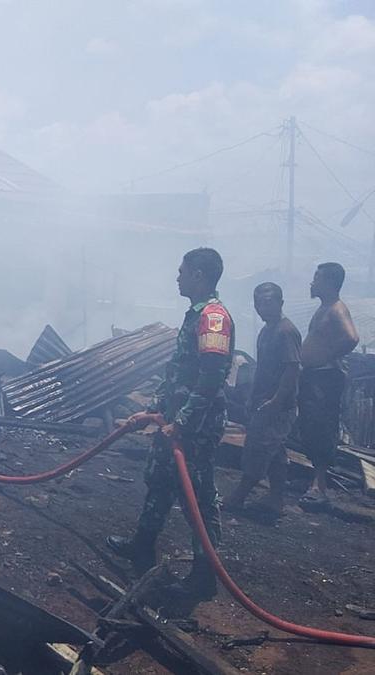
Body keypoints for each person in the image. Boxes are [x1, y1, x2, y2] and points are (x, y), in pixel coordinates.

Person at [107, 248, 234, 599]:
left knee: (199, 497)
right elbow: (179, 374)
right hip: (172, 421)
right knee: (160, 480)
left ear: (199, 275)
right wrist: (150, 411)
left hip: (195, 427)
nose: (177, 277)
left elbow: (211, 379)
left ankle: (204, 574)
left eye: (182, 272)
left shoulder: (213, 319)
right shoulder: (194, 316)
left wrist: (183, 422)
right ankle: (142, 544)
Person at [222, 282, 300, 514]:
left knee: (258, 449)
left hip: (276, 406)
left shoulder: (286, 331)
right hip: (262, 401)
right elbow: (264, 368)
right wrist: (251, 397)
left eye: (268, 302)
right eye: (258, 302)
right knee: (274, 451)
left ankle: (237, 497)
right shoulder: (267, 331)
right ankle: (275, 500)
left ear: (280, 303)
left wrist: (276, 401)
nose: (262, 307)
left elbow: (292, 369)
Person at [297, 262, 359, 506]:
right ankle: (315, 480)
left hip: (325, 379)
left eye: (317, 278)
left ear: (330, 282)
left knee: (322, 428)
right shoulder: (323, 308)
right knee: (311, 427)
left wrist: (327, 356)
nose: (312, 282)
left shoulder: (336, 309)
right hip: (314, 377)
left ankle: (318, 487)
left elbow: (352, 337)